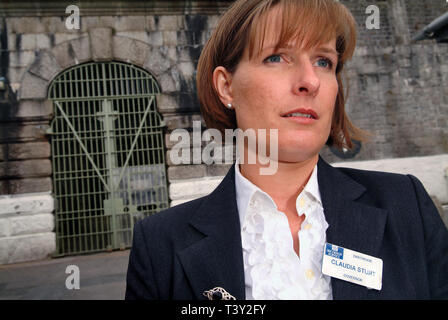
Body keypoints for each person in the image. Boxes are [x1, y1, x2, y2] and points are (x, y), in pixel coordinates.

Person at [125, 0, 448, 300]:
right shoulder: (160, 245)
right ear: (227, 86)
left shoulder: (406, 205)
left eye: (324, 61)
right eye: (277, 57)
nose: (310, 81)